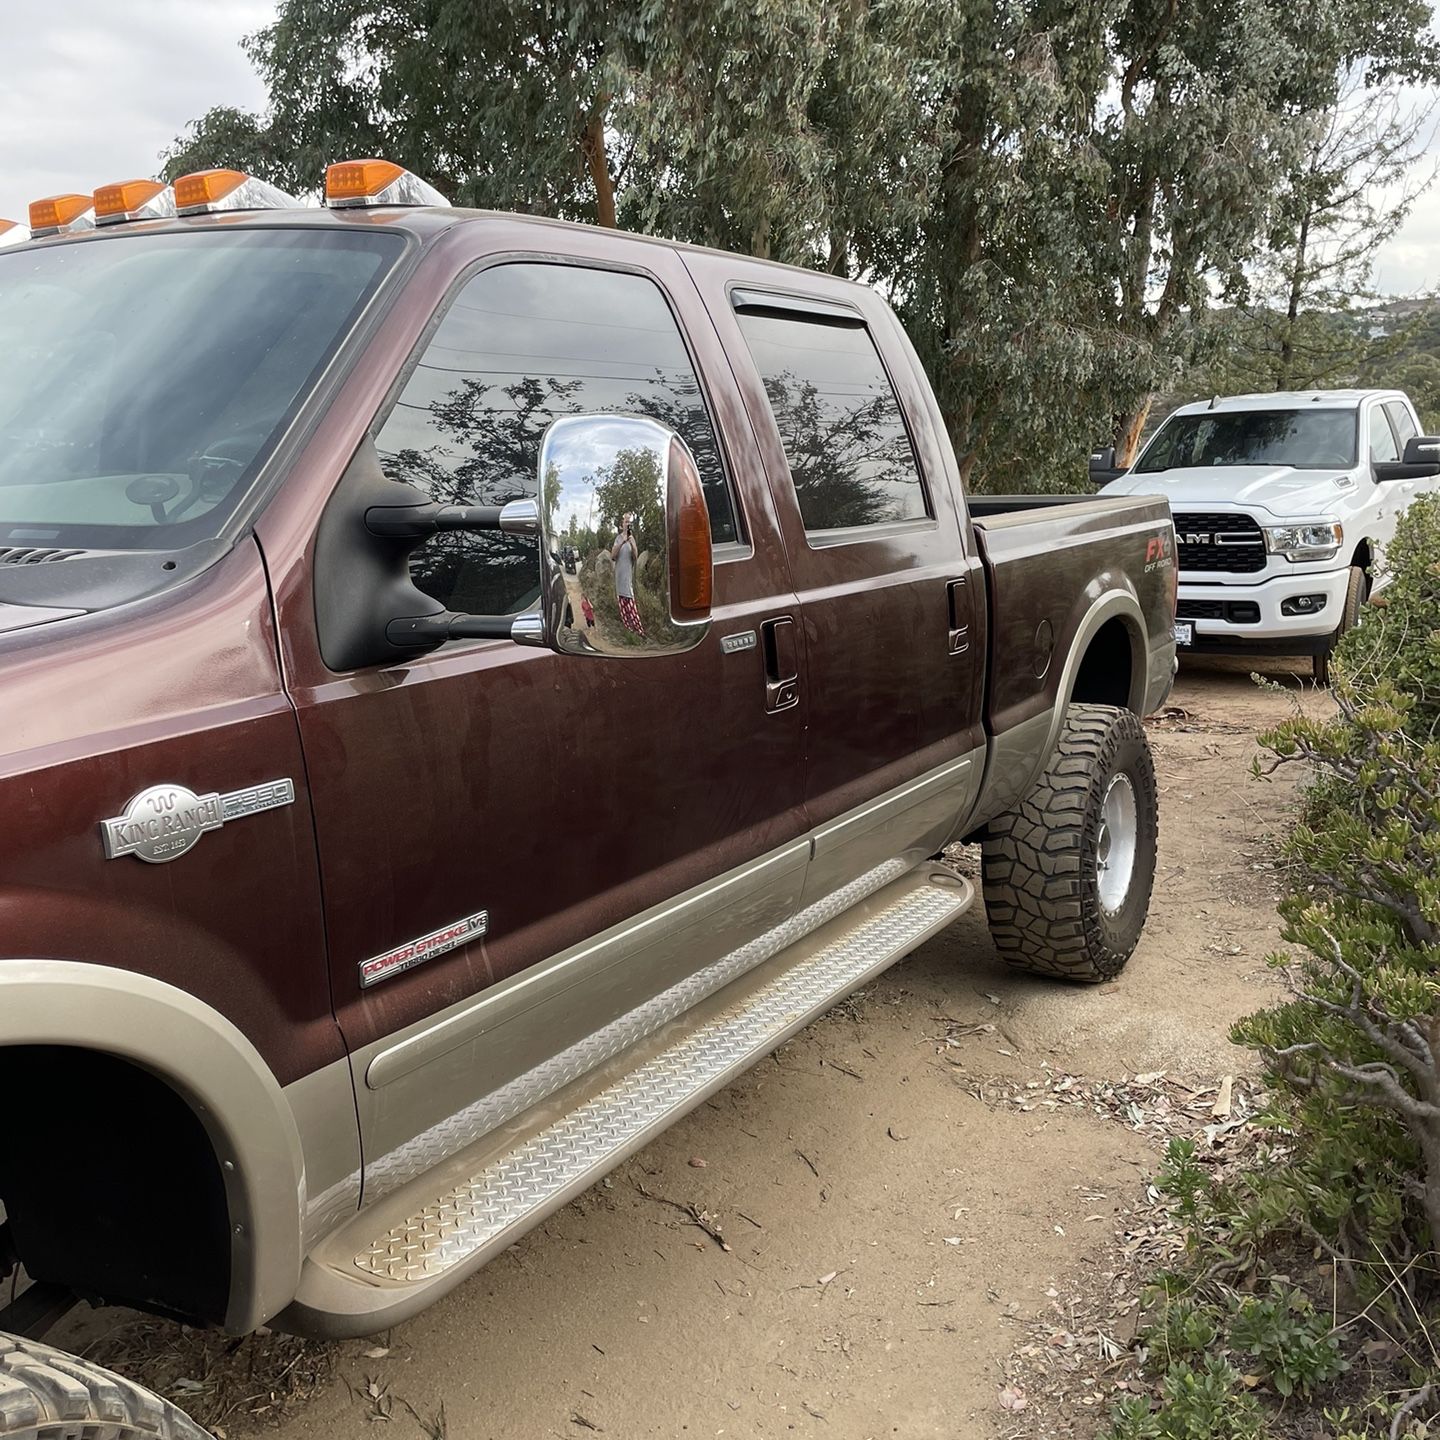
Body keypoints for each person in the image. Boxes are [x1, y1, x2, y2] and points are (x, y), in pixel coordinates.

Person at [611, 513, 644, 636]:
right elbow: (613, 555)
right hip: (619, 576)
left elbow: (635, 557)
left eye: (629, 522)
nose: (628, 523)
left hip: (628, 577)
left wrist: (631, 543)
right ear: (621, 525)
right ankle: (628, 629)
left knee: (630, 601)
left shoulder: (632, 538)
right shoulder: (618, 538)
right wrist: (622, 542)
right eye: (626, 521)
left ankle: (639, 631)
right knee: (622, 602)